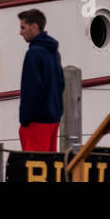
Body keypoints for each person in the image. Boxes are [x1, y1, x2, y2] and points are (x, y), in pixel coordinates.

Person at [17, 9, 64, 152]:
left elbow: (32, 90)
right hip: (53, 118)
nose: (20, 32)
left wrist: (25, 119)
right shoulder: (53, 52)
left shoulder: (34, 53)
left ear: (35, 27)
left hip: (37, 121)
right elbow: (61, 84)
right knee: (50, 166)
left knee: (35, 167)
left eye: (23, 27)